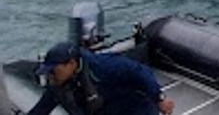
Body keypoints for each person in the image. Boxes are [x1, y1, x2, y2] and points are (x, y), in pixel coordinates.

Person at [25, 41, 174, 115]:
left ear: (71, 63)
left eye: (53, 71)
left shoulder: (105, 66)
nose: (50, 76)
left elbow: (140, 72)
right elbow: (42, 109)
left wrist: (159, 98)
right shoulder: (58, 84)